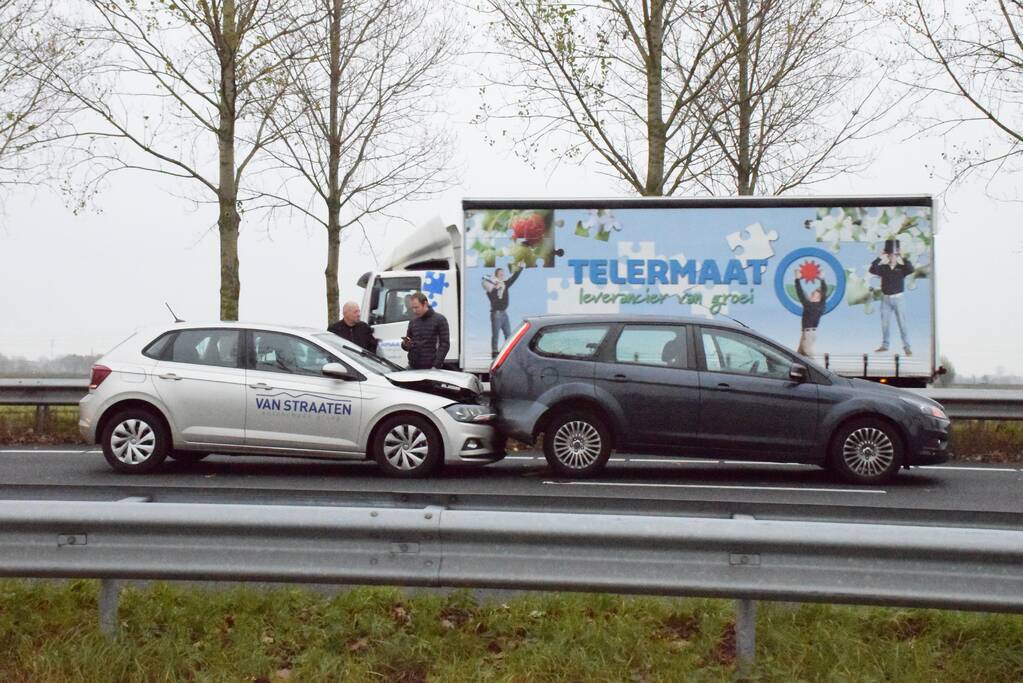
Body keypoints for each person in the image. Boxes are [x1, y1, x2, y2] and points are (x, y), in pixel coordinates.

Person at [868, 239, 914, 356]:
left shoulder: (901, 268)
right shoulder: (883, 268)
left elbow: (911, 269)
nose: (892, 257)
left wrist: (903, 256)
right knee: (885, 323)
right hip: (886, 300)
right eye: (890, 255)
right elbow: (872, 269)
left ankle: (907, 347)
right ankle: (885, 345)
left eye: (894, 255)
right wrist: (879, 257)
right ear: (887, 255)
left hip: (898, 299)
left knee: (902, 323)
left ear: (897, 255)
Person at [401, 292, 450, 369]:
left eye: (416, 307)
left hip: (431, 367)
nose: (414, 310)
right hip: (413, 366)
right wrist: (405, 344)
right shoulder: (413, 321)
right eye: (412, 308)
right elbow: (408, 342)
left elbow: (444, 344)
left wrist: (436, 365)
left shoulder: (440, 319)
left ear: (425, 304)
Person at [482, 266, 522, 357]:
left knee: (508, 334)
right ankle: (495, 353)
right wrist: (498, 289)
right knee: (496, 335)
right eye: (500, 275)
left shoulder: (505, 284)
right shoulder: (491, 288)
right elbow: (494, 299)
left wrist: (520, 268)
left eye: (503, 274)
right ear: (496, 276)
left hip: (504, 313)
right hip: (496, 314)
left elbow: (513, 278)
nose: (502, 276)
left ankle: (509, 352)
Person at [795, 276, 828, 357]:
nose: (811, 293)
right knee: (799, 356)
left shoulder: (810, 305)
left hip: (808, 334)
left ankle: (819, 370)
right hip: (807, 333)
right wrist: (822, 279)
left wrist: (797, 279)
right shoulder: (819, 305)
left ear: (819, 296)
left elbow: (800, 293)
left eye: (813, 293)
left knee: (809, 355)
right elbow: (801, 293)